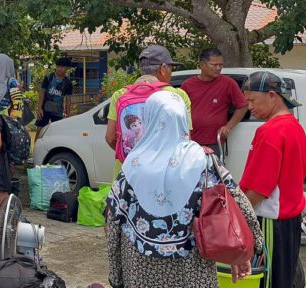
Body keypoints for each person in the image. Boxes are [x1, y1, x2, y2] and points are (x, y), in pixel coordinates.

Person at [106, 91, 262, 288]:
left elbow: (114, 218)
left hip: (139, 265)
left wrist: (116, 274)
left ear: (148, 119)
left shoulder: (133, 164)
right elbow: (236, 201)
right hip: (191, 264)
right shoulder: (203, 160)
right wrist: (244, 251)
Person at [239, 71, 306, 288]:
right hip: (290, 218)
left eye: (252, 100)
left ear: (272, 95)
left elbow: (259, 188)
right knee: (284, 278)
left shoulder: (270, 131)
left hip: (270, 220)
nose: (249, 107)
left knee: (268, 281)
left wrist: (239, 217)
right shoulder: (295, 127)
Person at [105, 45, 192, 175]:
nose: (171, 73)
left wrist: (132, 156)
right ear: (163, 68)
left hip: (128, 173)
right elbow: (185, 140)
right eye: (170, 69)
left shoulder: (120, 95)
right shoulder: (178, 96)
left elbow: (110, 138)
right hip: (164, 174)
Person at [181, 48, 248, 156]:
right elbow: (179, 111)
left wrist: (229, 126)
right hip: (191, 141)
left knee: (214, 167)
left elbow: (243, 105)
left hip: (215, 142)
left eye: (221, 65)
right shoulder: (187, 85)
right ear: (202, 65)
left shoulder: (228, 83)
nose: (218, 68)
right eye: (214, 65)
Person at [35, 57, 73, 138]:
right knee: (39, 131)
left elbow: (68, 100)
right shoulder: (49, 77)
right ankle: (35, 145)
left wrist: (68, 114)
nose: (59, 69)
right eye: (58, 66)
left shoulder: (68, 83)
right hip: (44, 109)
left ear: (67, 68)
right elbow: (42, 93)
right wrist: (39, 108)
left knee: (56, 134)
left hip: (58, 111)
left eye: (62, 67)